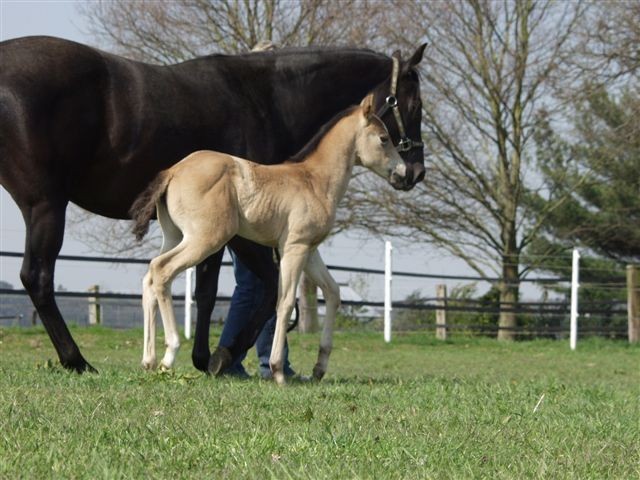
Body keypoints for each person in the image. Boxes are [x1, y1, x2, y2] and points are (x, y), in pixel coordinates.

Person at [218, 247, 295, 379]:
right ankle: (229, 362)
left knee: (258, 285)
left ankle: (269, 363)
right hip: (253, 233)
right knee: (254, 285)